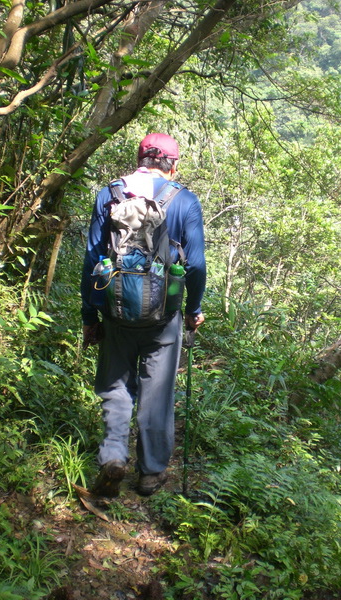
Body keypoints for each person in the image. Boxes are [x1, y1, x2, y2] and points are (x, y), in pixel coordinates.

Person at [81, 133, 206, 497]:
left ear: (139, 158)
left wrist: (90, 314)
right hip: (164, 317)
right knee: (157, 393)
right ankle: (150, 474)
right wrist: (194, 308)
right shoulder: (184, 200)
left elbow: (92, 258)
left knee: (115, 387)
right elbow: (195, 265)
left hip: (116, 311)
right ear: (174, 164)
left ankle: (113, 457)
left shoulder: (111, 194)